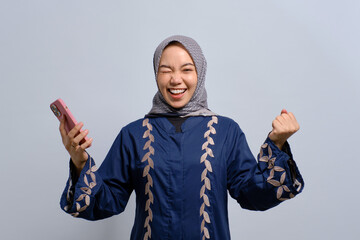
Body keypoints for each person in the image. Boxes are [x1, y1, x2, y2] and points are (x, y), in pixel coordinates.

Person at [59, 35, 304, 240]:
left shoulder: (225, 132)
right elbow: (106, 200)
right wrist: (80, 163)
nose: (176, 79)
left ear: (200, 72)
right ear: (156, 74)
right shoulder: (133, 135)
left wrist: (277, 143)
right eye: (166, 70)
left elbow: (254, 194)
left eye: (187, 69)